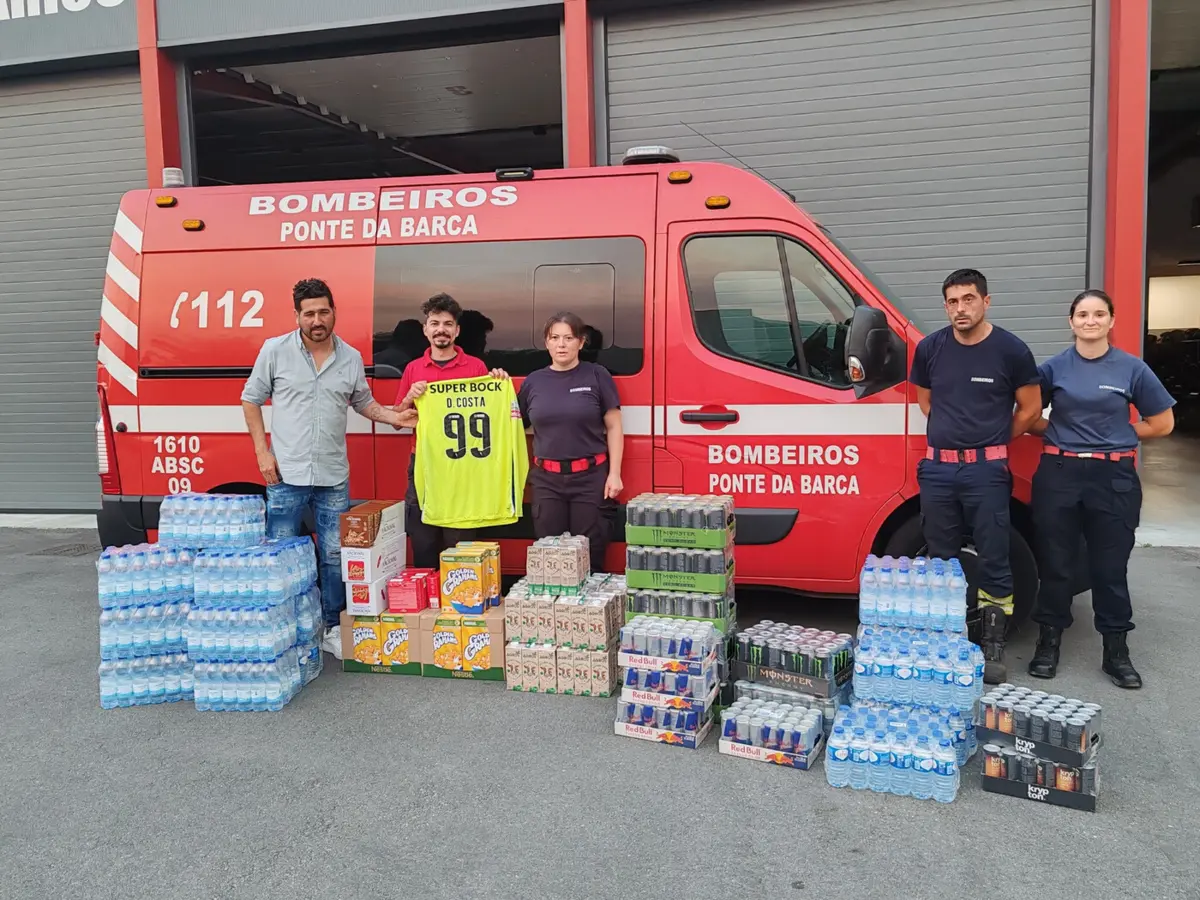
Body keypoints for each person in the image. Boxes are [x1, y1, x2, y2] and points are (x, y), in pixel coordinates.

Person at [242, 278, 415, 657]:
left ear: (333, 311)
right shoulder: (275, 350)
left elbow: (364, 403)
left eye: (323, 311)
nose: (316, 320)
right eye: (309, 314)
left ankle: (332, 626)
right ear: (297, 316)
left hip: (333, 474)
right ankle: (286, 627)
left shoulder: (350, 357)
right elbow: (250, 399)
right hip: (285, 472)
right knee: (283, 552)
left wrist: (395, 417)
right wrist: (262, 453)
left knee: (335, 556)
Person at [1025, 290, 1175, 688]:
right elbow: (1026, 415)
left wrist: (1121, 435)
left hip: (1113, 479)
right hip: (1059, 473)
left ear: (1111, 321)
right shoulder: (1054, 369)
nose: (1090, 321)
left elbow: (1162, 423)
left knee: (1110, 568)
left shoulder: (1132, 369)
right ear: (1071, 321)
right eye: (1082, 314)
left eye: (1098, 314)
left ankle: (1116, 652)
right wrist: (1057, 431)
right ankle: (1048, 643)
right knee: (1056, 564)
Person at [910, 269, 1043, 684]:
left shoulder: (1011, 350)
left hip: (987, 470)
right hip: (939, 468)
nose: (959, 309)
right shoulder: (931, 348)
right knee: (940, 555)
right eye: (952, 301)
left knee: (994, 552)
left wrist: (990, 440)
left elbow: (1030, 409)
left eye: (968, 299)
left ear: (986, 301)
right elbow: (926, 401)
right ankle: (944, 639)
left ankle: (993, 641)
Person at [393, 293, 507, 568]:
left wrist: (498, 383)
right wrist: (409, 396)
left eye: (447, 324)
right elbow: (397, 420)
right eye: (434, 323)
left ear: (456, 330)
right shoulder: (413, 369)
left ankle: (460, 601)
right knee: (423, 539)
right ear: (425, 329)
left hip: (462, 466)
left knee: (460, 542)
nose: (440, 329)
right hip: (424, 464)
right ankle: (427, 605)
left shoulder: (476, 367)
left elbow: (490, 413)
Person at [518, 312, 624, 574]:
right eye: (555, 338)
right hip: (546, 481)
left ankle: (589, 615)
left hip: (590, 480)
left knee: (591, 556)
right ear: (546, 342)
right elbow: (511, 425)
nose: (561, 344)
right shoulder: (534, 382)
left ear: (581, 342)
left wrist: (615, 474)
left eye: (568, 338)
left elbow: (614, 426)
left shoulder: (596, 375)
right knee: (549, 558)